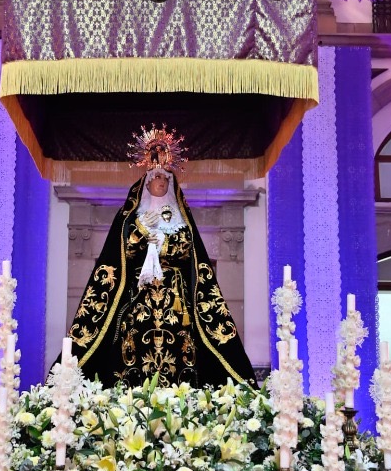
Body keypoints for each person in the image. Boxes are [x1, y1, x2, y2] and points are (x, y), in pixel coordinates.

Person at [67, 125, 255, 389]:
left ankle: (181, 400)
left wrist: (164, 244)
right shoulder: (131, 218)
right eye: (156, 178)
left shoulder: (182, 220)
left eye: (165, 179)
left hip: (175, 298)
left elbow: (189, 252)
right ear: (146, 182)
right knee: (132, 338)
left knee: (181, 340)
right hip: (138, 295)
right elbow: (122, 255)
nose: (161, 182)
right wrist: (141, 232)